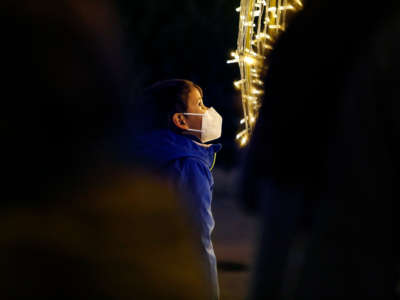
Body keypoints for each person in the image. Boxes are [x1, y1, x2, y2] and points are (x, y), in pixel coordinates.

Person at [241, 0, 400, 299]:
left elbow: (251, 186)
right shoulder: (385, 38)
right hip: (357, 233)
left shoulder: (303, 30)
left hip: (289, 219)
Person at [134, 79, 223, 300]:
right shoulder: (189, 164)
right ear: (181, 120)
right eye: (200, 104)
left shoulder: (145, 153)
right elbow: (198, 238)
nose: (208, 111)